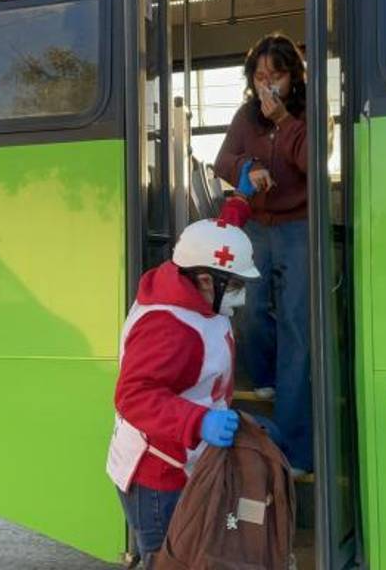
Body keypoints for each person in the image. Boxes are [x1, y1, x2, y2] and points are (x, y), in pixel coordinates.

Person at [107, 217, 260, 567]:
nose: (242, 297)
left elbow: (215, 238)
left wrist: (237, 207)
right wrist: (199, 421)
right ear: (206, 279)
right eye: (235, 285)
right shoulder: (170, 327)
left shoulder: (190, 284)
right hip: (160, 476)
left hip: (184, 460)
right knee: (170, 561)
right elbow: (133, 395)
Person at [213, 33, 313, 475]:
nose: (267, 84)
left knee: (296, 322)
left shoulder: (307, 114)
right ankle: (266, 376)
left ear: (293, 77)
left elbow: (315, 159)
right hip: (256, 223)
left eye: (276, 75)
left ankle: (293, 447)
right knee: (251, 308)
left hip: (297, 224)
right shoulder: (245, 116)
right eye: (260, 76)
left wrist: (286, 121)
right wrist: (246, 169)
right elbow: (222, 160)